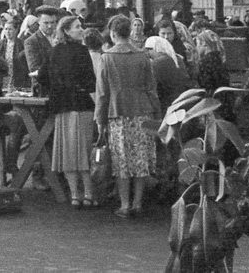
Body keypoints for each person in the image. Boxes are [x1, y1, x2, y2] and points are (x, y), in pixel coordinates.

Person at [95, 15, 159, 218]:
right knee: (140, 160)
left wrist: (100, 119)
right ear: (130, 33)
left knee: (121, 161)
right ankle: (138, 203)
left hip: (117, 112)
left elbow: (102, 93)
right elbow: (151, 88)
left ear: (113, 34)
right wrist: (157, 112)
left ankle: (124, 204)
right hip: (142, 111)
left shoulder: (107, 57)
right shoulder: (143, 56)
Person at [41, 15, 98, 209]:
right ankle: (89, 193)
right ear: (66, 30)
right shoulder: (83, 51)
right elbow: (91, 81)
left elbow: (42, 76)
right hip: (82, 106)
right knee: (84, 152)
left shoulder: (54, 51)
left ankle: (75, 195)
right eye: (77, 26)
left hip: (62, 107)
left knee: (68, 153)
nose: (81, 29)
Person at [144, 35, 191, 109]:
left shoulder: (157, 63)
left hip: (168, 103)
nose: (148, 53)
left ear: (155, 48)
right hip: (184, 99)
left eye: (149, 50)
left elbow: (153, 86)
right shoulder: (178, 58)